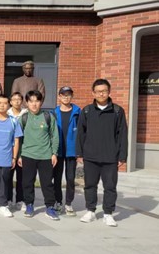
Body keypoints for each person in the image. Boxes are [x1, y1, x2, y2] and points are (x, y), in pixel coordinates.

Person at [76, 79, 128, 227]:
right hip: (90, 156)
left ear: (109, 92)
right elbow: (81, 133)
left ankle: (108, 213)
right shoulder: (87, 111)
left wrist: (122, 155)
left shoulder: (117, 111)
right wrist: (79, 153)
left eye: (104, 91)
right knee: (90, 185)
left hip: (110, 157)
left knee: (110, 187)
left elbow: (122, 134)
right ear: (93, 93)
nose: (101, 94)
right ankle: (90, 211)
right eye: (98, 91)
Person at [18, 90, 59, 220]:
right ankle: (29, 205)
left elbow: (55, 136)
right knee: (27, 182)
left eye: (37, 101)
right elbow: (18, 138)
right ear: (27, 103)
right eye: (31, 101)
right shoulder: (23, 118)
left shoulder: (48, 116)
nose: (34, 104)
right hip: (28, 155)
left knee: (47, 183)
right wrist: (19, 155)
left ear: (41, 102)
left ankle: (50, 207)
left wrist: (54, 153)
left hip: (45, 155)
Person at [53, 86, 81, 216]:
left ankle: (69, 203)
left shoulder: (78, 112)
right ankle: (58, 202)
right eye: (63, 95)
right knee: (57, 178)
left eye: (68, 95)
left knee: (70, 178)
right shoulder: (54, 113)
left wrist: (79, 151)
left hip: (71, 151)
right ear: (59, 97)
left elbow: (82, 133)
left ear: (72, 96)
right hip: (58, 150)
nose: (66, 97)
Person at [7, 92, 28, 210]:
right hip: (8, 150)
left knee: (22, 177)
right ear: (10, 102)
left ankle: (20, 200)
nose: (16, 101)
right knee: (7, 177)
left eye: (19, 99)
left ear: (22, 101)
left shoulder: (26, 114)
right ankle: (8, 199)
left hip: (22, 150)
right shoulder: (6, 113)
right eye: (14, 99)